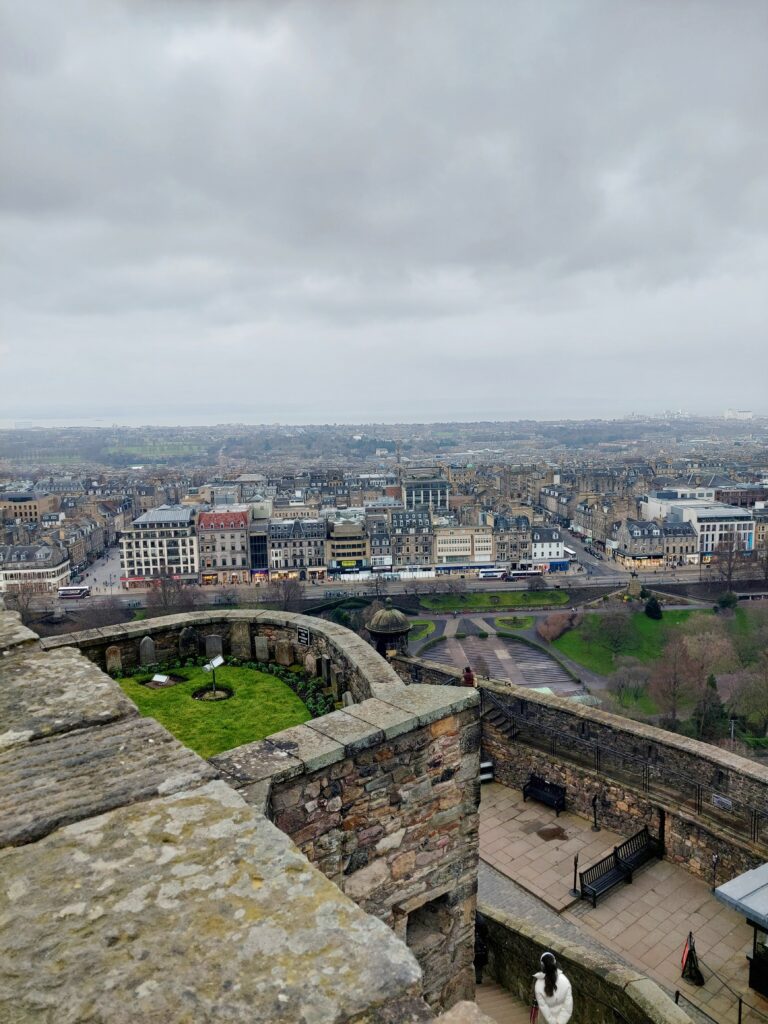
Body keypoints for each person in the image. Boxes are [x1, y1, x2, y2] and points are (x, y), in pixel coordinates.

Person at [533, 952, 572, 1024]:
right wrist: (561, 1021)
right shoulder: (565, 980)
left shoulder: (538, 984)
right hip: (561, 1019)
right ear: (555, 963)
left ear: (542, 965)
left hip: (545, 1020)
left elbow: (543, 1006)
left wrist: (552, 1021)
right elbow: (568, 1005)